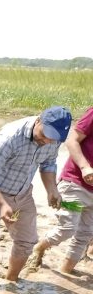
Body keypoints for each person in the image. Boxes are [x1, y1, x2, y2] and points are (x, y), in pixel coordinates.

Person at [0, 106, 72, 283]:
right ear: (39, 120)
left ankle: (11, 281)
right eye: (45, 134)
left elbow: (48, 163)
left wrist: (52, 190)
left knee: (27, 241)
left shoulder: (54, 139)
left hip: (22, 193)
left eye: (53, 138)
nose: (47, 140)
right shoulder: (11, 136)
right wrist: (2, 203)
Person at [28, 107, 93, 273]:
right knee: (68, 228)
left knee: (85, 234)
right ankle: (39, 248)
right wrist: (85, 167)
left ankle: (65, 272)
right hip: (76, 185)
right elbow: (72, 140)